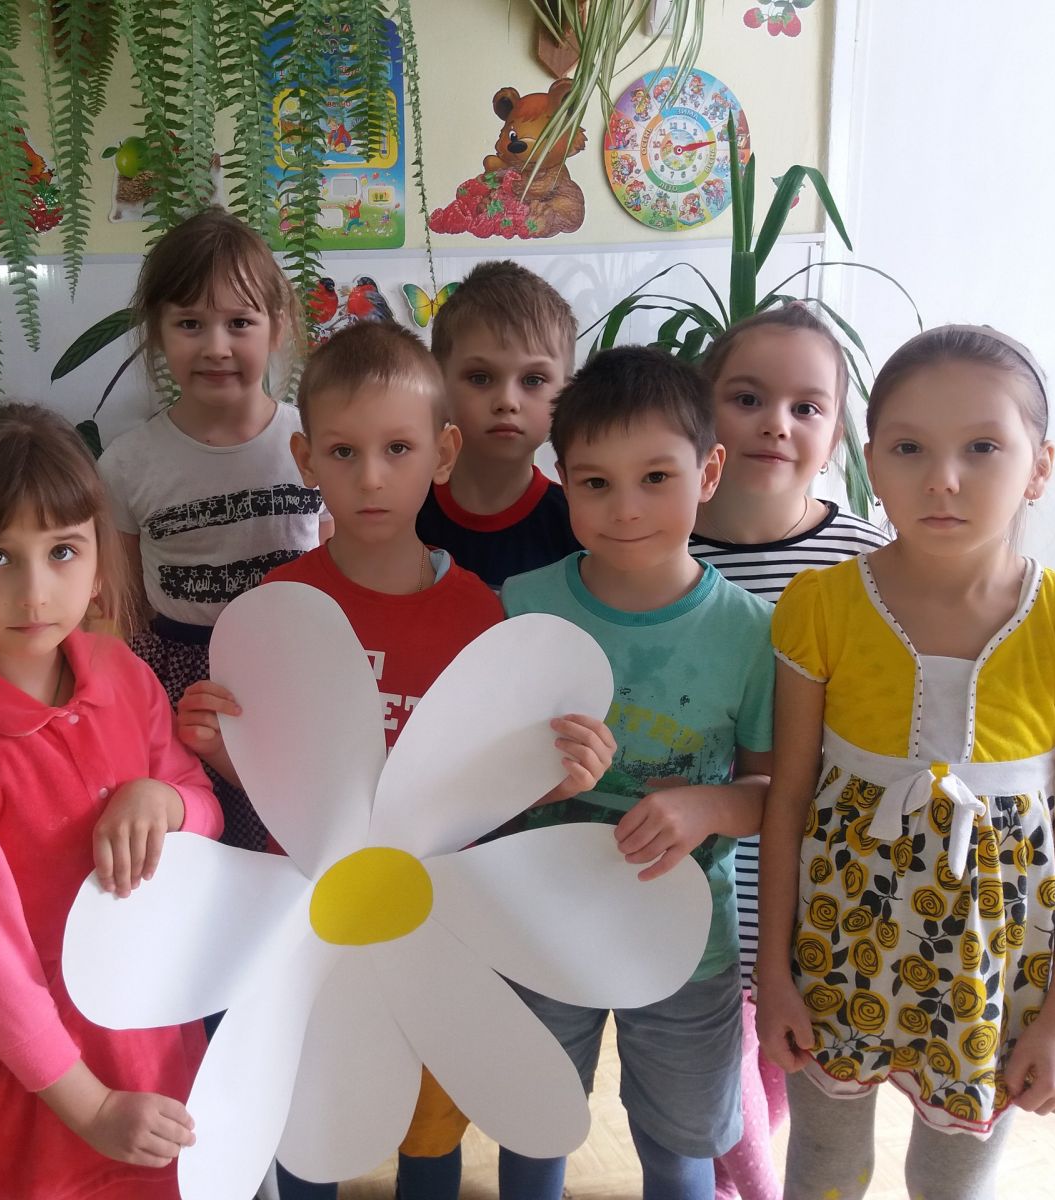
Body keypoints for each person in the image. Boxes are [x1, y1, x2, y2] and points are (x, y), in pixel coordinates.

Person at [177, 322, 613, 1200]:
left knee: (428, 1124)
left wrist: (557, 778)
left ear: (442, 453)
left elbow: (486, 791)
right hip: (308, 926)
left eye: (398, 449)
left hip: (437, 927)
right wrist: (221, 753)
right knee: (312, 1112)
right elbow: (276, 783)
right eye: (344, 452)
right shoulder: (278, 607)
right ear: (306, 458)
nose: (371, 477)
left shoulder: (479, 617)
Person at [757, 326, 1055, 1200]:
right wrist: (774, 975)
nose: (943, 478)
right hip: (838, 942)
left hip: (992, 966)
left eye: (983, 447)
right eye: (909, 448)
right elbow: (788, 799)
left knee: (953, 1181)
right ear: (871, 462)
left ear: (1039, 467)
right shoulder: (821, 607)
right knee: (824, 1163)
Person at [0, 404, 223, 1199]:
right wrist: (90, 1105)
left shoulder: (126, 675)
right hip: (39, 1082)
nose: (35, 592)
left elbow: (203, 811)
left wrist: (163, 800)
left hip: (152, 1033)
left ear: (99, 561)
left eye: (63, 551)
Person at [501, 346, 775, 1200]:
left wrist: (705, 807)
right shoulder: (520, 606)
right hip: (542, 922)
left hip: (688, 939)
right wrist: (535, 780)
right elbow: (470, 779)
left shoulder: (751, 632)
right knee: (536, 1120)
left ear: (709, 472)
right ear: (563, 481)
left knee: (679, 1142)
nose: (625, 508)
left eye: (657, 477)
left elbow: (773, 795)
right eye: (596, 483)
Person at [689, 305, 888, 1200]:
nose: (778, 423)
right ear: (703, 416)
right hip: (697, 873)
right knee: (712, 1077)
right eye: (747, 398)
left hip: (823, 880)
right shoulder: (654, 540)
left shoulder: (870, 562)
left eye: (807, 407)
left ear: (835, 433)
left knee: (783, 1058)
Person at [98, 205, 326, 852]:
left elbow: (337, 570)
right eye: (190, 323)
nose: (216, 346)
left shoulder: (313, 443)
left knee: (284, 844)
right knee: (190, 850)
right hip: (175, 684)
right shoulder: (127, 463)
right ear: (157, 332)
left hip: (290, 675)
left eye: (240, 322)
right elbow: (120, 605)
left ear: (277, 327)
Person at [415, 260, 580, 590]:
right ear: (438, 384)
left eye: (533, 380)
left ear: (566, 393)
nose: (507, 401)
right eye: (480, 377)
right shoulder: (405, 508)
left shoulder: (580, 525)